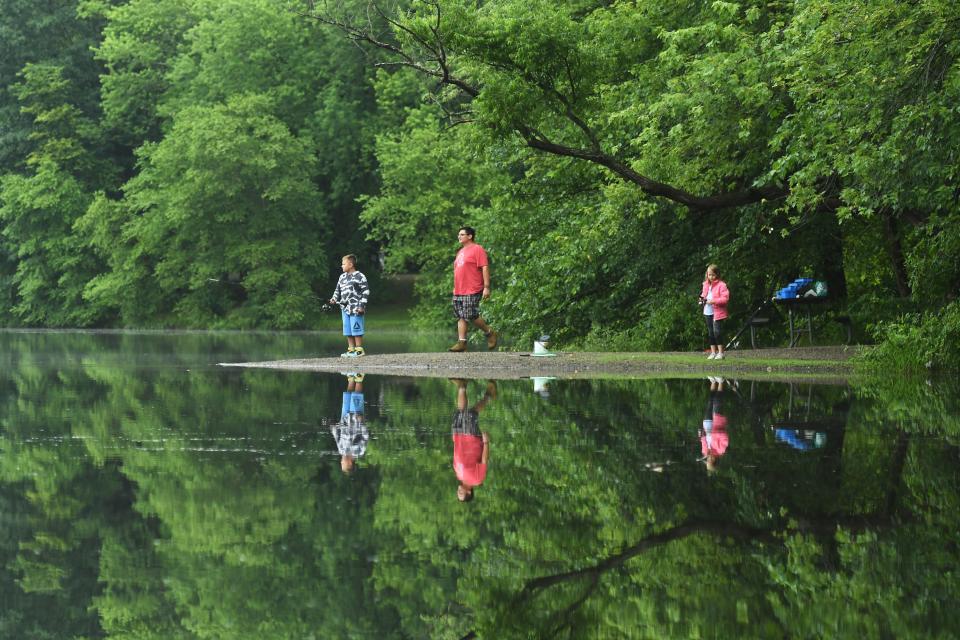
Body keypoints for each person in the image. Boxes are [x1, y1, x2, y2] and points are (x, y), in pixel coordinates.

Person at [449, 226, 497, 352]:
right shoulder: (460, 252)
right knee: (461, 316)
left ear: (470, 236)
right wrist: (455, 288)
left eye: (462, 234)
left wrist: (486, 287)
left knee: (470, 315)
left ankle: (489, 333)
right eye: (458, 234)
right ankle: (462, 343)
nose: (459, 236)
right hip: (459, 290)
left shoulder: (477, 249)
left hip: (473, 288)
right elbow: (458, 271)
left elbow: (485, 267)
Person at [450, 379, 496, 502]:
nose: (458, 492)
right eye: (461, 494)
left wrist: (455, 439)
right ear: (469, 492)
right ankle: (462, 386)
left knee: (464, 412)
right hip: (472, 439)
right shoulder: (477, 480)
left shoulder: (459, 475)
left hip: (459, 436)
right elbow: (484, 460)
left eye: (457, 494)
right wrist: (486, 443)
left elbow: (457, 455)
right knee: (469, 413)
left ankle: (467, 387)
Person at [329, 254, 370, 358]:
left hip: (356, 308)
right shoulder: (341, 277)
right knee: (347, 329)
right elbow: (337, 290)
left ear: (351, 264)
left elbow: (366, 291)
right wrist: (334, 299)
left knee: (356, 328)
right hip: (344, 308)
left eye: (343, 264)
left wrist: (362, 306)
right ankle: (351, 350)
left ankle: (359, 350)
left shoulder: (360, 276)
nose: (341, 266)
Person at [331, 373, 368, 474]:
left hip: (344, 419)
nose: (341, 461)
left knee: (347, 396)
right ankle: (359, 378)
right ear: (350, 463)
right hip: (356, 420)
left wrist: (333, 428)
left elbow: (337, 437)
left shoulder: (341, 451)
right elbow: (365, 437)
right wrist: (362, 422)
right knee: (356, 396)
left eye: (341, 463)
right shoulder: (360, 452)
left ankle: (351, 378)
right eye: (343, 464)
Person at [699, 264, 730, 360]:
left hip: (718, 312)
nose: (711, 277)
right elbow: (703, 295)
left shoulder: (722, 285)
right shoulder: (705, 284)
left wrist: (713, 301)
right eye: (709, 275)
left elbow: (725, 299)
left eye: (713, 275)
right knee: (710, 332)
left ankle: (721, 353)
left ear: (717, 274)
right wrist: (701, 300)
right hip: (708, 311)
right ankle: (713, 352)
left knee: (717, 332)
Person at [700, 377, 730, 473]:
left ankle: (713, 381)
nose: (707, 459)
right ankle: (720, 381)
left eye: (707, 460)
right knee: (717, 401)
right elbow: (725, 436)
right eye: (708, 460)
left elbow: (703, 440)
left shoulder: (705, 452)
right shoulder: (721, 449)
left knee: (710, 401)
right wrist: (714, 434)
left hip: (707, 423)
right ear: (713, 460)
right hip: (717, 421)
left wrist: (701, 435)